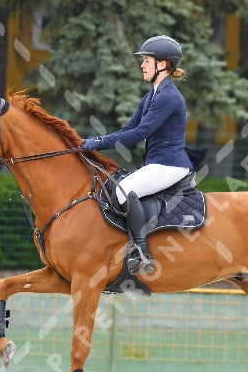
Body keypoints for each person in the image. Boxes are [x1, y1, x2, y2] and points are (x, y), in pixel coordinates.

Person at [82, 35, 192, 276]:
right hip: (158, 163)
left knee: (122, 191)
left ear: (162, 65)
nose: (142, 65)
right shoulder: (152, 95)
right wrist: (91, 142)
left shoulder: (168, 96)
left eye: (146, 60)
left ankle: (141, 252)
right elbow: (127, 130)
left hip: (170, 165)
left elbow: (141, 132)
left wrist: (98, 144)